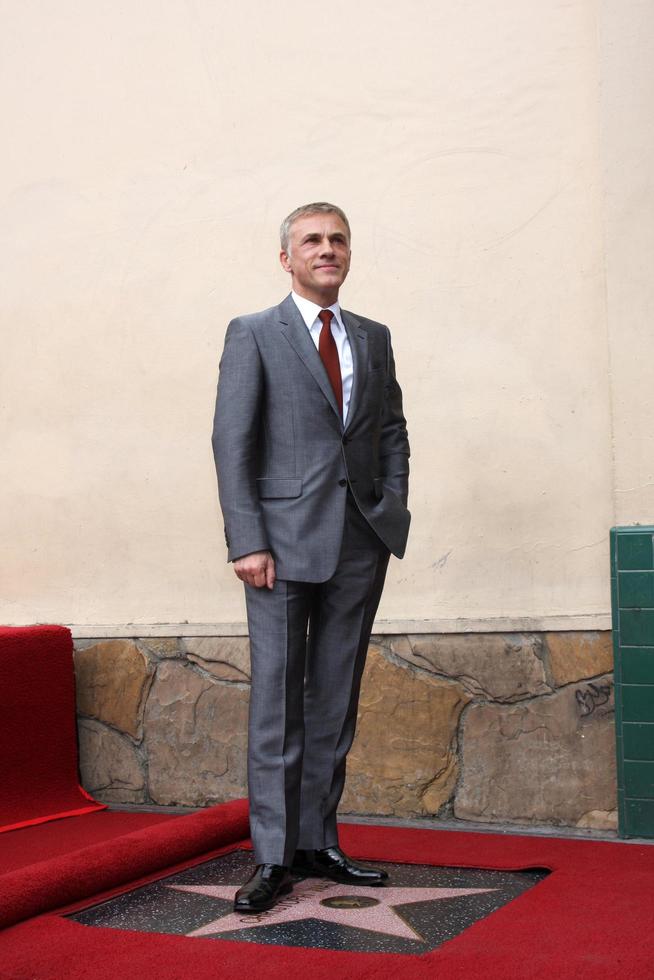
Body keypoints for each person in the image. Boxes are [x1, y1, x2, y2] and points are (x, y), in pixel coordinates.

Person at [212, 202, 410, 913]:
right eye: (312, 241)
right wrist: (248, 540)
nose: (327, 250)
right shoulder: (255, 334)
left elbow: (390, 428)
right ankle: (271, 856)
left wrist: (391, 507)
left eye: (337, 240)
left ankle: (316, 841)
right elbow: (231, 442)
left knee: (335, 699)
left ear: (348, 253)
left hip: (360, 541)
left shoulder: (373, 336)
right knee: (277, 703)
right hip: (279, 548)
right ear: (287, 257)